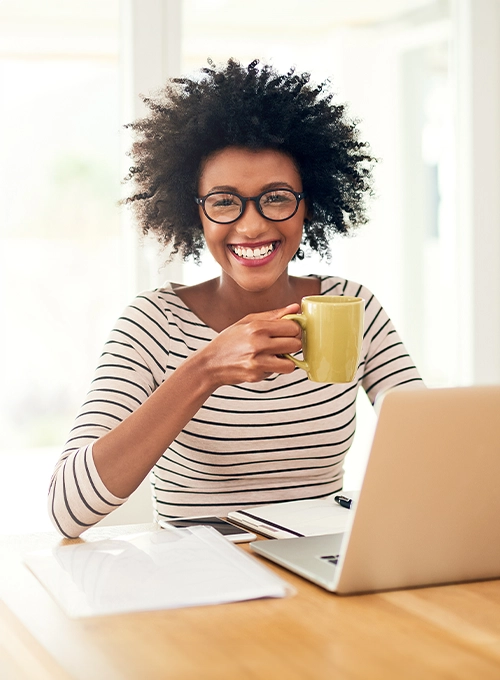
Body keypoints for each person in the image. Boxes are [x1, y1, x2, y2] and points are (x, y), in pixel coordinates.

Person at [48, 58, 423, 538]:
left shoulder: (353, 305)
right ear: (196, 213)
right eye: (225, 201)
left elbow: (433, 449)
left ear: (308, 205)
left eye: (277, 197)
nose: (252, 226)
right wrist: (204, 369)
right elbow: (67, 510)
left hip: (325, 573)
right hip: (198, 579)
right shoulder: (154, 323)